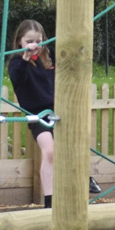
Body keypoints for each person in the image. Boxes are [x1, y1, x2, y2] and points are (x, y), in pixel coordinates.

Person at [6, 20, 102, 208]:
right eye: (29, 41)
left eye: (38, 41)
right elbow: (18, 79)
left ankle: (84, 177)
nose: (34, 45)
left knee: (74, 146)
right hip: (37, 114)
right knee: (49, 152)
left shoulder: (48, 58)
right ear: (20, 42)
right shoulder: (17, 62)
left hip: (58, 111)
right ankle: (49, 201)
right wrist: (26, 57)